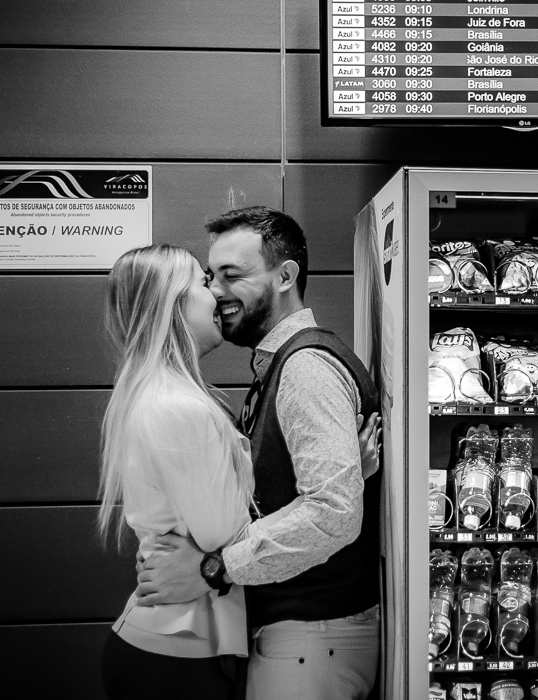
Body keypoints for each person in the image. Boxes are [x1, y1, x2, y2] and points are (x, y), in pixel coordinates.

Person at [135, 207, 383, 700]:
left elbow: (333, 513)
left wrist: (211, 568)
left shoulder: (305, 368)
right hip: (305, 638)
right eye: (210, 277)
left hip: (313, 638)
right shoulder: (277, 368)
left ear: (285, 275)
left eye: (233, 275)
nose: (217, 291)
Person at [97, 244, 255, 700]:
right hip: (177, 657)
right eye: (204, 283)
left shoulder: (156, 396)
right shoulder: (177, 407)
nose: (218, 293)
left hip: (171, 648)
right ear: (174, 304)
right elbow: (226, 537)